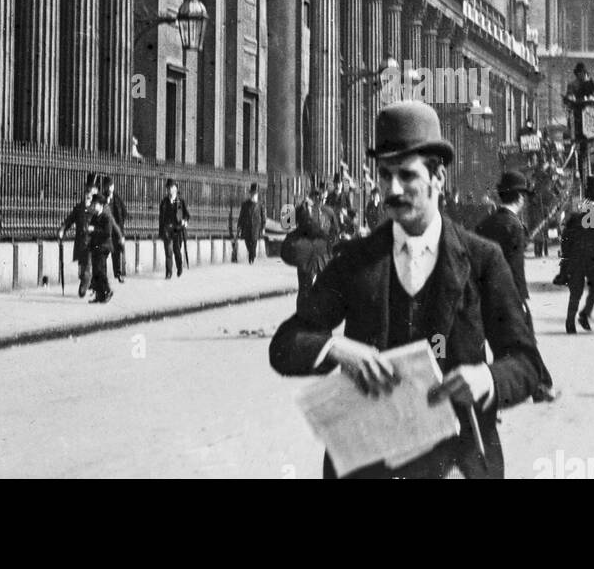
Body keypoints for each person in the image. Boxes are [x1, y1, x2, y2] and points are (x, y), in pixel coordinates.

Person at [268, 102, 543, 479]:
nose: (393, 189)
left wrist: (488, 379)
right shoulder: (356, 259)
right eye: (385, 175)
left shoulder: (483, 260)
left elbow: (526, 364)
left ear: (438, 178)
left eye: (407, 176)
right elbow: (285, 344)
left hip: (459, 464)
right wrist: (336, 349)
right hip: (369, 462)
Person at [475, 170, 557, 403]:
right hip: (509, 296)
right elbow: (514, 268)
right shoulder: (514, 227)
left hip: (483, 294)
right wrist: (520, 299)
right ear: (520, 198)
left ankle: (522, 388)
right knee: (524, 341)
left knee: (499, 344)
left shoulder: (485, 224)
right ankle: (540, 385)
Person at [560, 175, 594, 334]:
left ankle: (570, 322)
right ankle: (584, 314)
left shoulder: (576, 217)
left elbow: (565, 238)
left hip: (576, 259)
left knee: (575, 291)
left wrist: (566, 257)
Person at [86, 192, 125, 303]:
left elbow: (107, 233)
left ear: (101, 205)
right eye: (93, 204)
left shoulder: (106, 217)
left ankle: (107, 290)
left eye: (96, 204)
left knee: (100, 271)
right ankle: (100, 296)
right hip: (95, 247)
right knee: (96, 272)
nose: (93, 206)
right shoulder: (95, 217)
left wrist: (94, 230)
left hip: (104, 247)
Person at [59, 184, 96, 298]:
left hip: (91, 242)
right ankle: (87, 282)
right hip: (80, 242)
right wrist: (63, 229)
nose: (87, 199)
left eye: (90, 197)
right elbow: (70, 219)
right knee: (81, 268)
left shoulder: (95, 210)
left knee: (88, 266)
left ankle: (84, 286)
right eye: (86, 196)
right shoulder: (79, 208)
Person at [158, 179, 189, 279]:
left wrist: (185, 220)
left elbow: (187, 215)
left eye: (172, 187)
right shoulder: (164, 202)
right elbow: (161, 218)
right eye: (168, 188)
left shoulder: (180, 201)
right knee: (168, 251)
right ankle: (168, 273)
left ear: (176, 188)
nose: (170, 190)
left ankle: (179, 267)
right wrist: (161, 232)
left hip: (177, 230)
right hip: (167, 230)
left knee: (176, 250)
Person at [102, 177, 128, 283]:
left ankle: (118, 274)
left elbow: (124, 212)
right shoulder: (102, 198)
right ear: (105, 187)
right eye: (108, 186)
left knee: (116, 253)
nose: (110, 188)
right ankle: (102, 277)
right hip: (105, 231)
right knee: (103, 254)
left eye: (111, 186)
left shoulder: (117, 198)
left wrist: (120, 225)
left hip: (116, 230)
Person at [237, 183, 266, 263]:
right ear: (250, 194)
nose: (254, 195)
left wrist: (263, 228)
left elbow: (263, 217)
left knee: (254, 242)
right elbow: (241, 215)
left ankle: (252, 255)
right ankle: (252, 253)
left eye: (255, 193)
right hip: (246, 227)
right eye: (253, 193)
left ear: (257, 194)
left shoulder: (260, 205)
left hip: (256, 228)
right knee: (247, 242)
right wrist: (239, 226)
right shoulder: (245, 204)